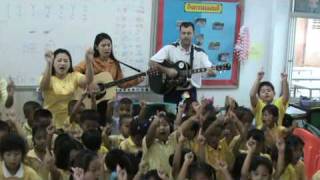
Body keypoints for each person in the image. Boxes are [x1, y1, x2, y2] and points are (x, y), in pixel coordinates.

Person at [75, 33, 144, 121]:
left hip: (107, 104)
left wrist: (136, 81)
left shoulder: (115, 63)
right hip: (89, 100)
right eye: (103, 45)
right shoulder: (90, 61)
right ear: (96, 47)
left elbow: (121, 83)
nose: (107, 48)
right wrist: (88, 83)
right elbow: (75, 73)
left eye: (109, 45)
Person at [149, 22, 216, 105]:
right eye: (183, 33)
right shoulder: (170, 48)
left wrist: (212, 71)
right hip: (170, 90)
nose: (186, 36)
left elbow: (210, 68)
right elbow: (151, 62)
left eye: (189, 33)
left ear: (193, 34)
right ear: (180, 34)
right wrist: (167, 71)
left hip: (189, 92)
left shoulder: (200, 52)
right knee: (171, 116)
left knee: (189, 115)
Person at [40, 48, 94, 129]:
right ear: (53, 63)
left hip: (70, 120)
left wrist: (89, 62)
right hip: (50, 120)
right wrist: (48, 64)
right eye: (59, 61)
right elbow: (43, 86)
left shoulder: (74, 76)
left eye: (66, 61)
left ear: (70, 64)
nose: (62, 63)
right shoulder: (47, 77)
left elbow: (88, 80)